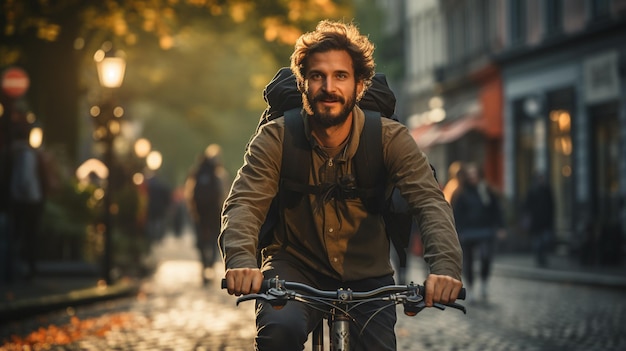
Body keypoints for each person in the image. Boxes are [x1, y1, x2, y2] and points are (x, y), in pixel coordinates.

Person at [219, 20, 463, 351]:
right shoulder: (276, 137)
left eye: (341, 76)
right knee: (279, 332)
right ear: (303, 83)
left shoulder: (390, 139)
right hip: (294, 268)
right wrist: (241, 262)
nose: (328, 87)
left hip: (369, 277)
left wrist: (445, 268)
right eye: (317, 75)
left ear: (359, 85)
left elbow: (429, 201)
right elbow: (245, 203)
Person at [450, 162, 504, 301]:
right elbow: (456, 213)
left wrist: (500, 226)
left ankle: (484, 283)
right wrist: (457, 231)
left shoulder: (486, 190)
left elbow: (495, 210)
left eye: (475, 174)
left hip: (485, 230)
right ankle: (471, 287)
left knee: (486, 257)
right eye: (470, 174)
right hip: (468, 232)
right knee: (468, 260)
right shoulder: (461, 193)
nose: (473, 177)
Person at [186, 144, 227, 285]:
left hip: (199, 213)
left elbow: (190, 193)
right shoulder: (218, 173)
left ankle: (204, 265)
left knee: (201, 241)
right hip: (215, 213)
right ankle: (211, 264)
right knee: (215, 239)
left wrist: (193, 210)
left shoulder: (197, 171)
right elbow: (223, 194)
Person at [522, 171, 554, 267]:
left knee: (545, 241)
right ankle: (539, 258)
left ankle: (542, 258)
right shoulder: (532, 191)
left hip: (545, 221)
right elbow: (527, 206)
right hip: (536, 222)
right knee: (538, 242)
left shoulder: (547, 190)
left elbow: (551, 206)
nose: (541, 180)